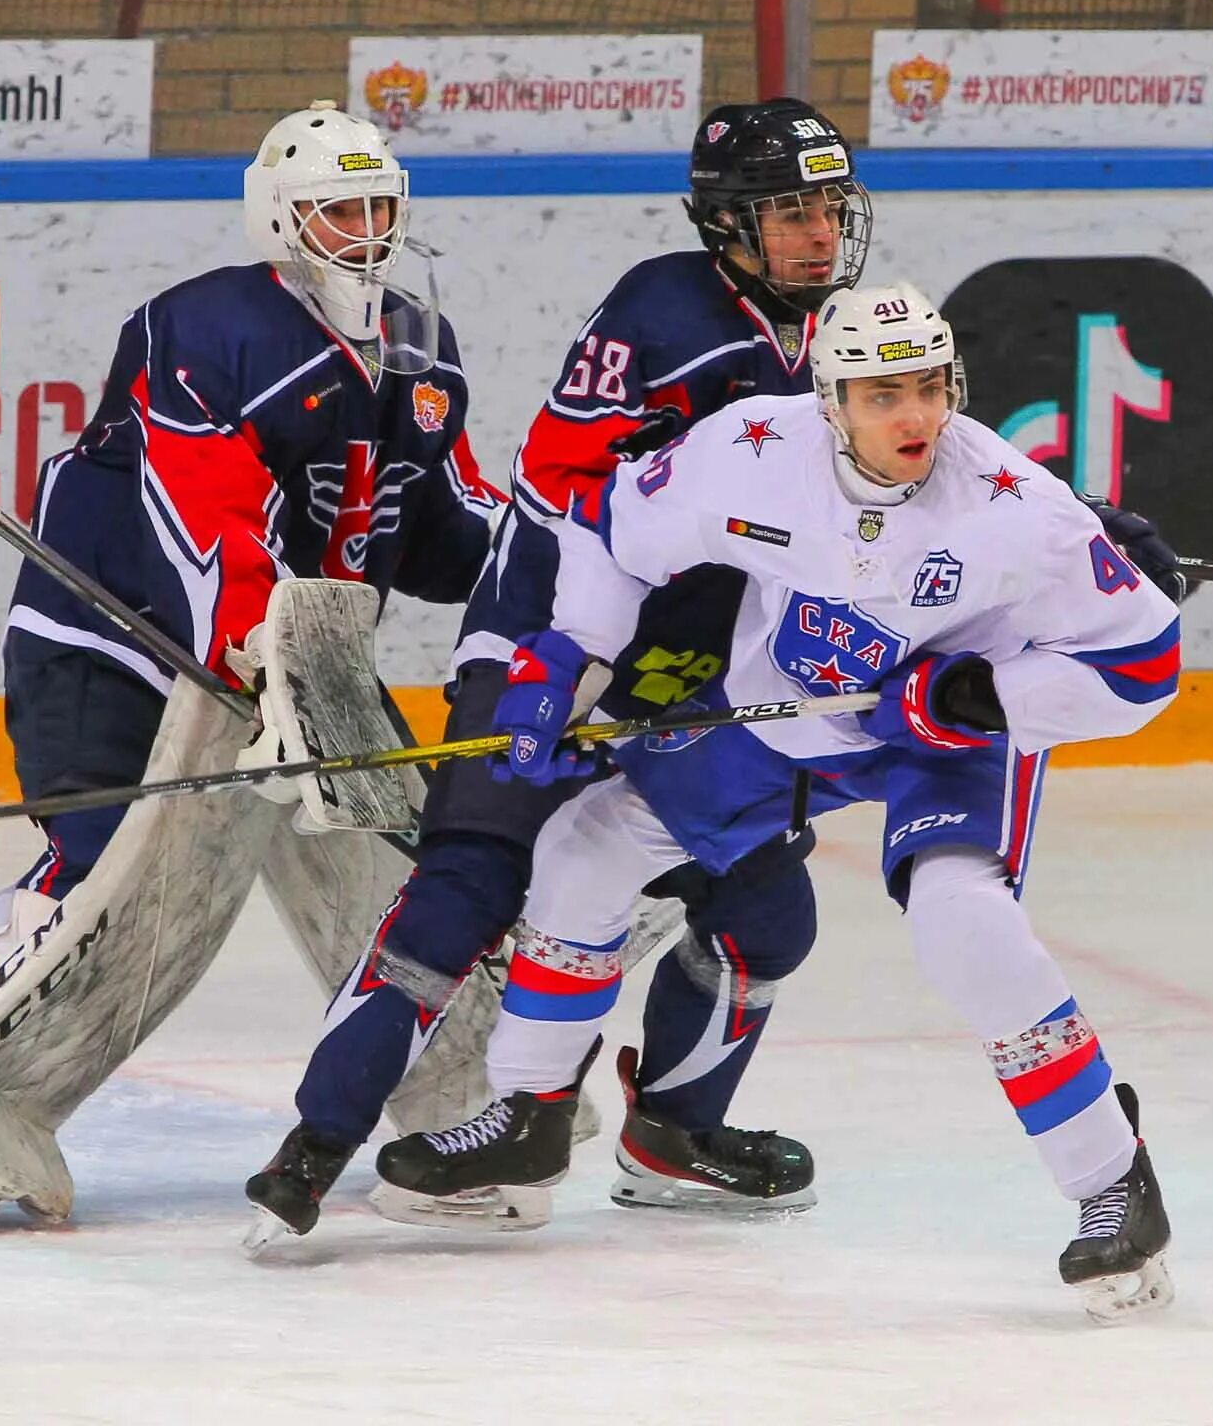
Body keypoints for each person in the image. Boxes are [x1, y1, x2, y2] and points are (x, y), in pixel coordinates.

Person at [376, 281, 1180, 1323]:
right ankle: (530, 1119)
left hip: (944, 736)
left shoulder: (1016, 511)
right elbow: (619, 534)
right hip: (788, 707)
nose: (916, 418)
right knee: (587, 844)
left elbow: (1145, 663)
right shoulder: (750, 446)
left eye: (931, 388)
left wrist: (988, 694)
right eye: (885, 393)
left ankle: (1113, 1182)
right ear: (830, 399)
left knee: (961, 924)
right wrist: (569, 656)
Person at [0, 100, 504, 1226]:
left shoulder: (420, 343)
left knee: (395, 880)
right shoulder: (201, 327)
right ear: (281, 219)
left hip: (306, 659)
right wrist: (263, 661)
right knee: (119, 879)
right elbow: (205, 526)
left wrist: (564, 598)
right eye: (334, 209)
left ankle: (455, 1118)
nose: (364, 228)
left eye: (378, 205)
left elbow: (453, 527)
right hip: (120, 640)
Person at [247, 98, 882, 1240]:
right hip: (551, 647)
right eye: (788, 210)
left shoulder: (837, 340)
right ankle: (318, 1142)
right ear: (728, 223)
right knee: (465, 896)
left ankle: (676, 1136)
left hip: (691, 686)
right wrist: (570, 663)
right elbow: (559, 488)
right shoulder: (667, 311)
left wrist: (1066, 542)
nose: (818, 233)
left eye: (829, 206)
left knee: (765, 916)